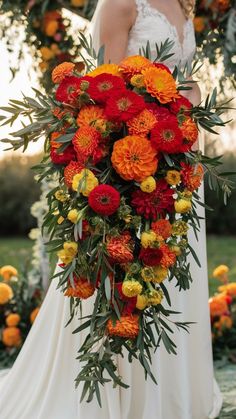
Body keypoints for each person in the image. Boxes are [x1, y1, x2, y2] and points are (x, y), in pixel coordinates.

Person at [0, 1, 223, 418]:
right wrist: (138, 160)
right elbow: (105, 91)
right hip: (133, 162)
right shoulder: (122, 4)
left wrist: (188, 107)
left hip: (180, 157)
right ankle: (117, 396)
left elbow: (185, 79)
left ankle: (172, 395)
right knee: (127, 276)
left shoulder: (181, 3)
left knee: (171, 269)